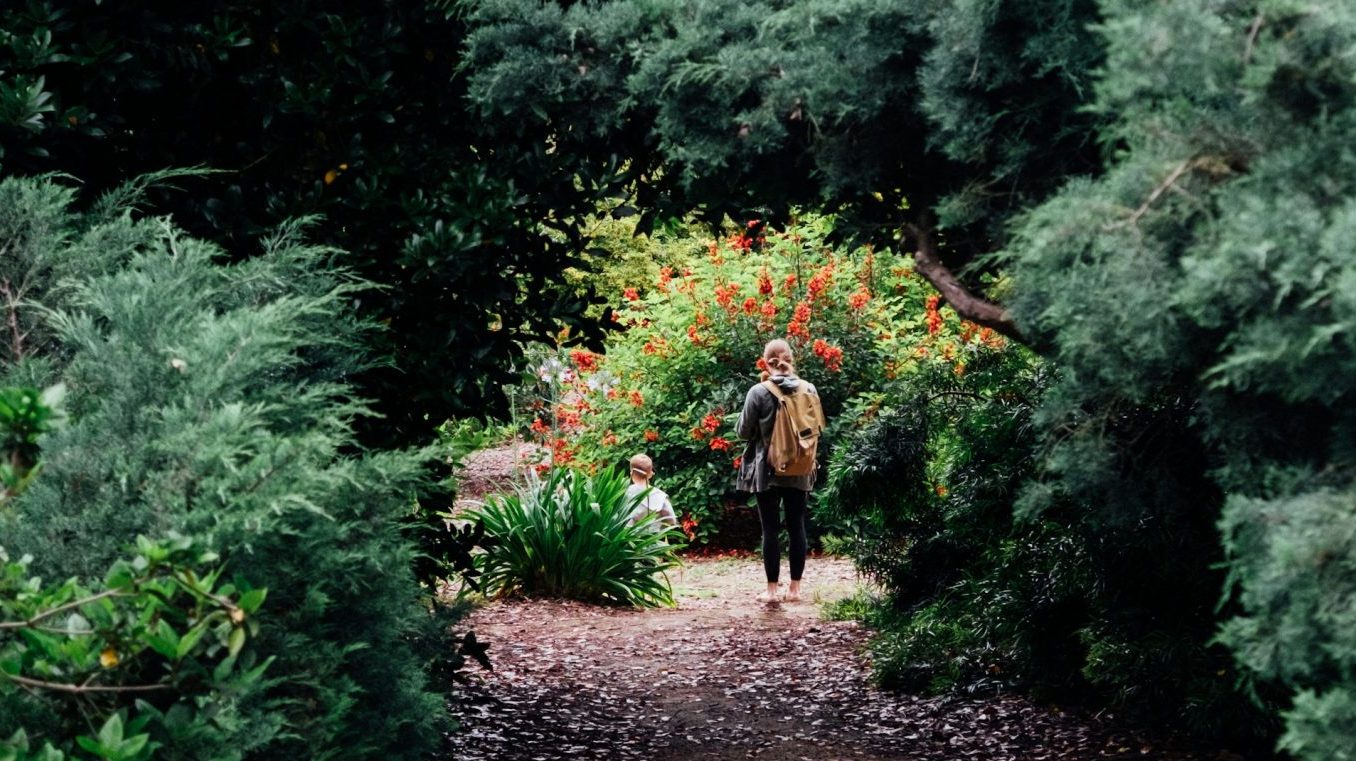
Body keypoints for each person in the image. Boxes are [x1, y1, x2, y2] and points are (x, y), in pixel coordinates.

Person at [736, 339, 821, 604]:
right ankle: (794, 590)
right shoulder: (809, 389)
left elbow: (742, 432)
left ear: (765, 362)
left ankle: (772, 591)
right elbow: (817, 428)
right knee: (797, 527)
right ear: (792, 360)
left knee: (770, 530)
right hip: (800, 468)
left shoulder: (759, 392)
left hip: (767, 470)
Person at [625, 453, 678, 531]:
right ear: (650, 474)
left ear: (631, 473)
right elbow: (672, 521)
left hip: (626, 540)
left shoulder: (624, 493)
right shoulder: (660, 496)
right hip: (653, 540)